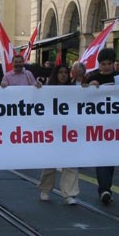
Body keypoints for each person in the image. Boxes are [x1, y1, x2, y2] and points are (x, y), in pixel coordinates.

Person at [85, 48, 119, 204]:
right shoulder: (92, 78)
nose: (107, 67)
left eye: (110, 63)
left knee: (111, 159)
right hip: (98, 126)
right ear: (99, 64)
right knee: (102, 157)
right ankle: (104, 189)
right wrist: (90, 86)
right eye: (104, 64)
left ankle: (106, 187)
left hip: (116, 126)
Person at [38, 64, 80, 205]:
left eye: (65, 72)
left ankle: (70, 193)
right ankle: (45, 189)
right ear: (55, 74)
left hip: (69, 131)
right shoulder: (47, 90)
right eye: (60, 72)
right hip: (53, 131)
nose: (63, 75)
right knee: (50, 162)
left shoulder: (75, 90)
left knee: (71, 163)